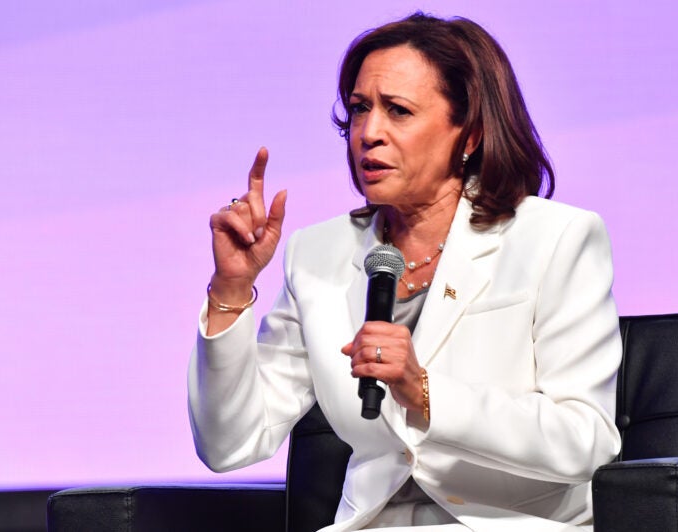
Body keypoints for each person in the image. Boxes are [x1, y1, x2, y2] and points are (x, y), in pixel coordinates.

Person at [189, 12, 621, 532]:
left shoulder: (555, 238)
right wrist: (232, 287)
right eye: (359, 109)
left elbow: (586, 440)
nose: (369, 133)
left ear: (470, 134)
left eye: (398, 110)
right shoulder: (318, 253)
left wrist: (426, 393)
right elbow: (230, 443)